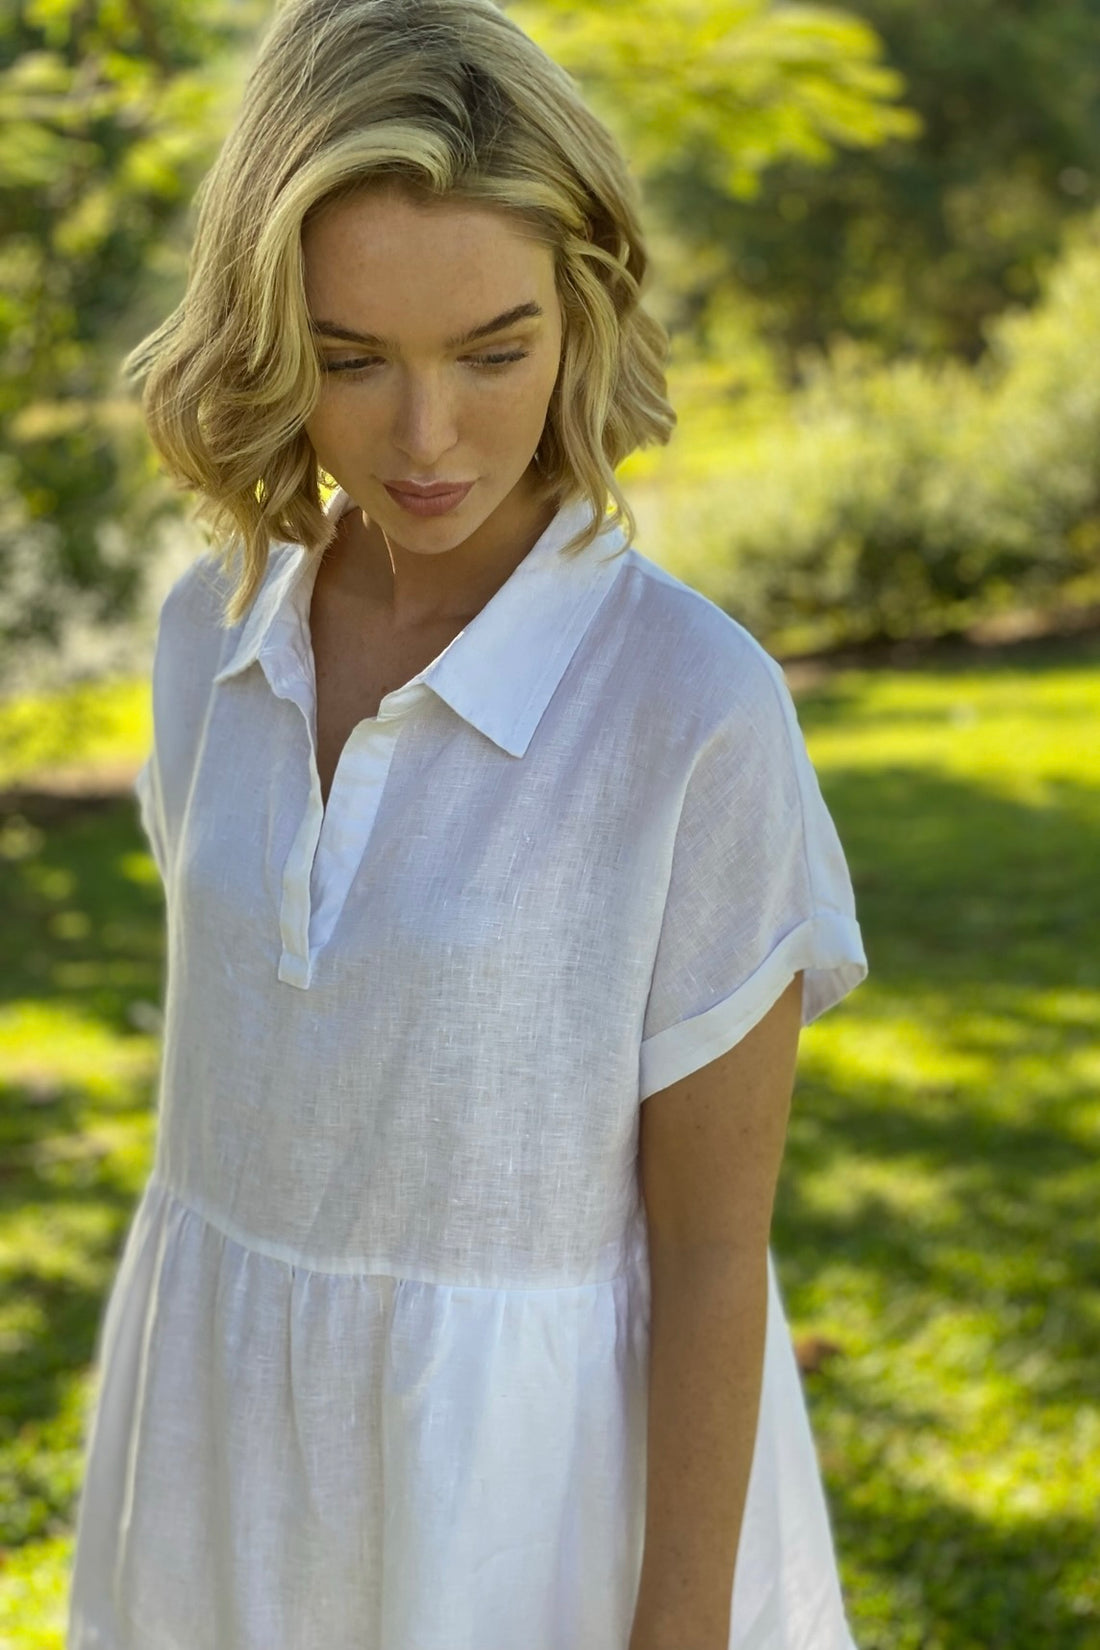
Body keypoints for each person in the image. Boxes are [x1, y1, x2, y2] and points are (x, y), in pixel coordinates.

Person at [66, 2, 869, 1647]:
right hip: (223, 1474)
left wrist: (680, 1631)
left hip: (537, 1519)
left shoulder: (691, 708)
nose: (426, 440)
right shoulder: (203, 647)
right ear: (267, 332)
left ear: (581, 314)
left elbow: (716, 1254)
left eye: (492, 352)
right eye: (353, 359)